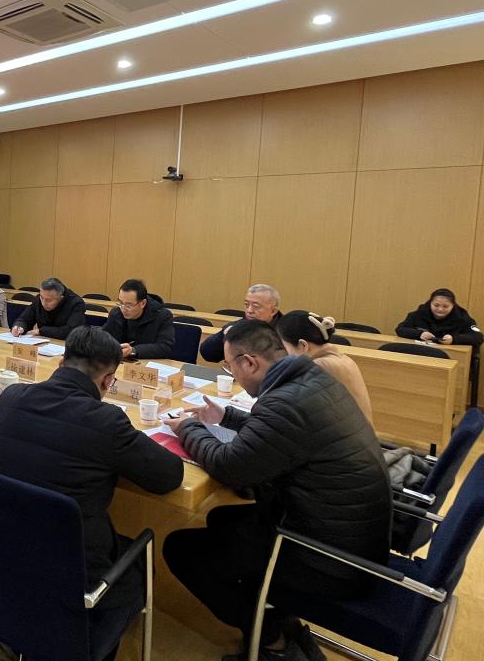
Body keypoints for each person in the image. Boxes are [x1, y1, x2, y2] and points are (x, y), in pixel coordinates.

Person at [163, 320, 391, 661]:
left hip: (330, 560)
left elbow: (229, 466)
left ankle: (272, 641)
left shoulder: (285, 402)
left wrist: (188, 427)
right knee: (221, 519)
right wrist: (226, 416)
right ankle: (277, 616)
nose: (231, 373)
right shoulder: (309, 380)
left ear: (249, 362)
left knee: (181, 549)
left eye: (230, 366)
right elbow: (283, 432)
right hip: (352, 536)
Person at [0, 326, 183, 661]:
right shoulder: (106, 421)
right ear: (108, 381)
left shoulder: (11, 398)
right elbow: (169, 476)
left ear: (61, 362)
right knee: (140, 561)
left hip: (6, 544)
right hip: (74, 564)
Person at [277, 311, 373, 424]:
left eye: (286, 348)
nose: (286, 354)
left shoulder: (319, 367)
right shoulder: (344, 359)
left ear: (303, 345)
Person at [200, 283, 283, 363]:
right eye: (246, 305)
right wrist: (223, 335)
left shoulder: (285, 332)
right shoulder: (239, 325)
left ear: (273, 311)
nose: (249, 310)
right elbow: (208, 355)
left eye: (256, 306)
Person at [101, 278, 175, 359]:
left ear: (143, 303)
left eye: (128, 305)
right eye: (120, 303)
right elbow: (104, 337)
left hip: (147, 363)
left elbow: (164, 348)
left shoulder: (162, 316)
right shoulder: (116, 313)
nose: (123, 309)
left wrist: (133, 350)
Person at [395, 288, 483, 346]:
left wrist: (454, 339)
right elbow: (400, 329)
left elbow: (478, 337)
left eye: (445, 306)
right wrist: (419, 334)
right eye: (436, 305)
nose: (440, 309)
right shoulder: (419, 314)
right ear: (430, 303)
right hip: (421, 352)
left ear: (453, 306)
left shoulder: (463, 318)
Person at [11, 277, 86, 340]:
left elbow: (71, 331)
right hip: (41, 342)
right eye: (41, 297)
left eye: (49, 300)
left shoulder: (76, 303)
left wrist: (41, 331)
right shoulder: (39, 299)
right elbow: (24, 319)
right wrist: (19, 326)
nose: (43, 303)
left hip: (65, 345)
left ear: (61, 298)